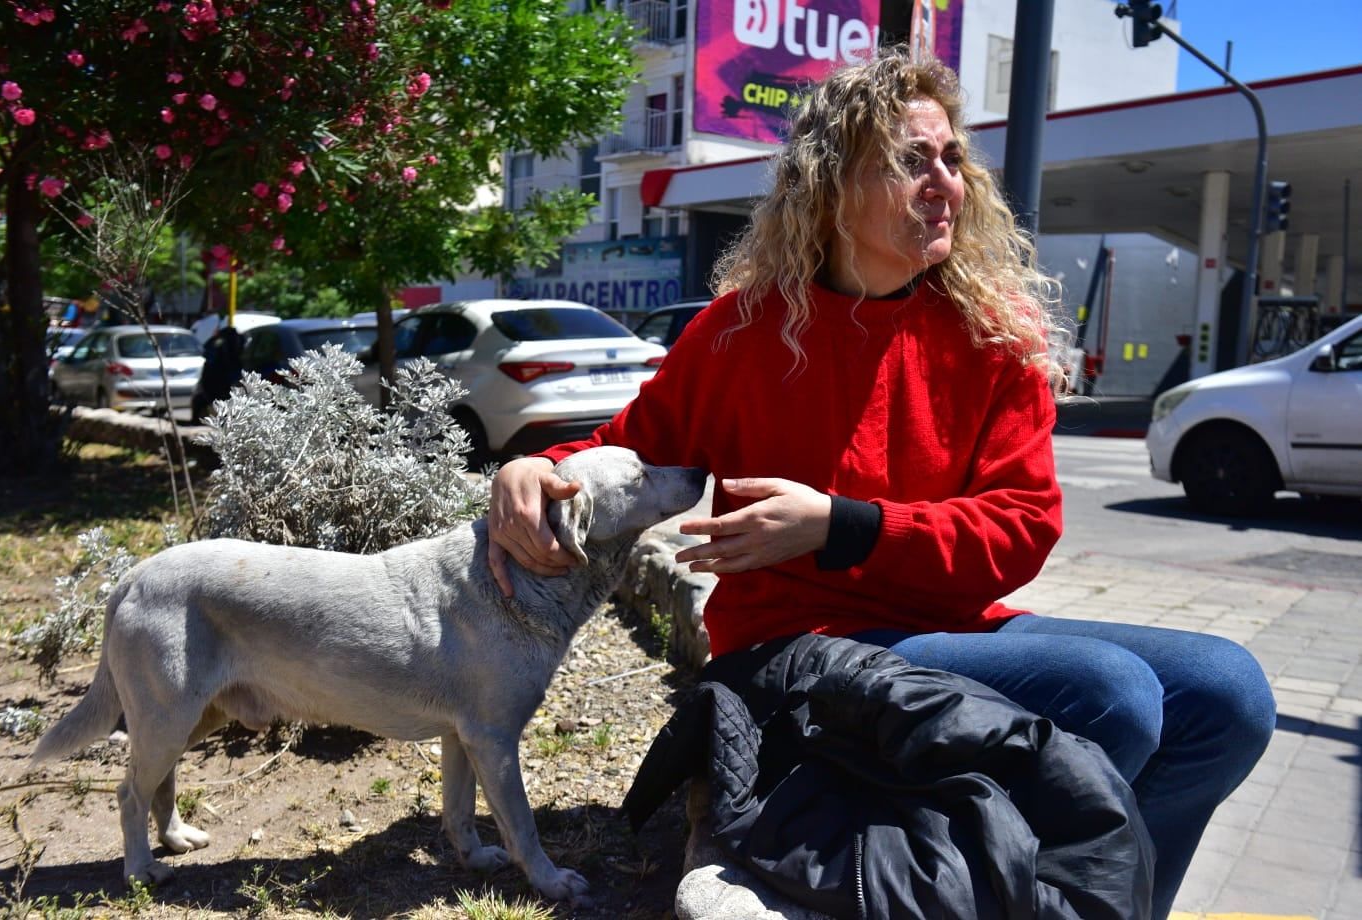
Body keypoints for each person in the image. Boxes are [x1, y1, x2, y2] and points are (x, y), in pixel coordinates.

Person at [487, 50, 1274, 920]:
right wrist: (536, 467)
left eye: (951, 159)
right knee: (1110, 695)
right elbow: (627, 447)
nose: (944, 182)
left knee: (1226, 692)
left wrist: (841, 525)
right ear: (829, 188)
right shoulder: (742, 330)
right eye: (910, 160)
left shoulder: (990, 332)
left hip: (948, 633)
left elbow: (1021, 532)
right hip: (788, 653)